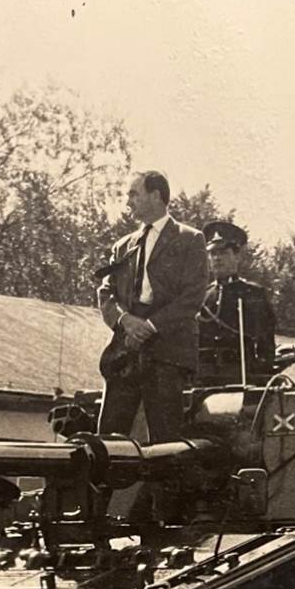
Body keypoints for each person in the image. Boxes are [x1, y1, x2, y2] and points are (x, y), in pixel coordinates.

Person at [95, 170, 208, 442]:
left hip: (167, 352)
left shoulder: (190, 239)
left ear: (156, 196)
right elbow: (105, 291)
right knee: (108, 440)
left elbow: (192, 297)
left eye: (134, 194)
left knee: (166, 443)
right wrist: (125, 321)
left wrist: (150, 326)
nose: (128, 202)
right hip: (125, 352)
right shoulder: (124, 246)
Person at [195, 220, 277, 386]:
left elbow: (266, 345)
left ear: (237, 256)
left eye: (223, 253)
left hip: (243, 376)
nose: (217, 258)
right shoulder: (202, 297)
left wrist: (260, 377)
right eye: (213, 253)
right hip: (204, 379)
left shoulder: (253, 294)